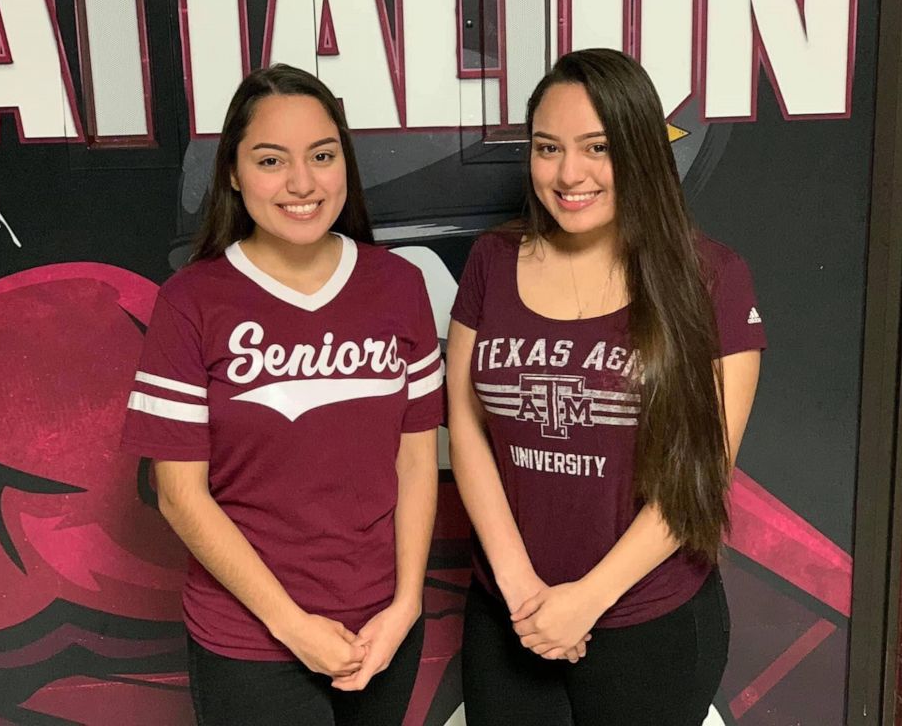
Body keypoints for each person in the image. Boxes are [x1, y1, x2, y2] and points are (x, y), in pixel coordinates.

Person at [446, 48, 765, 725]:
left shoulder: (711, 278)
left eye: (598, 147)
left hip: (649, 621)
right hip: (508, 615)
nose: (569, 174)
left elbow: (699, 477)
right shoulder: (492, 262)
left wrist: (585, 600)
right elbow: (467, 427)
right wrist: (520, 589)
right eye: (547, 147)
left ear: (642, 149)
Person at [121, 64, 443, 725]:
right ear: (234, 175)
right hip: (252, 641)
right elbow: (180, 494)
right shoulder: (192, 302)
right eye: (272, 160)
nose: (302, 183)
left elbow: (416, 462)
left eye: (322, 157)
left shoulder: (399, 286)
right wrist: (292, 626)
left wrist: (406, 604)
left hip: (382, 632)